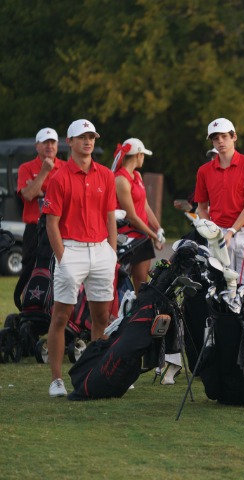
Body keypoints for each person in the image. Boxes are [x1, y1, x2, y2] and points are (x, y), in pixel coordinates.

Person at [42, 119, 118, 397]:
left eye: (91, 137)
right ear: (70, 142)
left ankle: (96, 373)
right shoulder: (59, 178)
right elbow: (52, 223)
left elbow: (110, 216)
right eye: (82, 137)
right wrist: (62, 258)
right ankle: (57, 380)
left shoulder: (106, 176)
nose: (88, 141)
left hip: (101, 251)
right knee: (61, 316)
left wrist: (111, 252)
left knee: (102, 316)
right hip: (71, 250)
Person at [194, 118, 244, 304]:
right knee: (221, 289)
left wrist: (231, 231)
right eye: (216, 138)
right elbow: (201, 207)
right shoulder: (204, 171)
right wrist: (212, 232)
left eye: (224, 136)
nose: (220, 141)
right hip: (218, 235)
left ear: (234, 137)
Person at [14, 128, 65, 305]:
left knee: (60, 271)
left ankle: (55, 312)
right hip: (34, 228)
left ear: (58, 145)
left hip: (59, 228)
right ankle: (27, 312)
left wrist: (40, 189)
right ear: (37, 146)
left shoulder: (66, 167)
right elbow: (28, 195)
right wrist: (44, 172)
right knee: (29, 270)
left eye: (52, 142)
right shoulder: (26, 168)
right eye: (45, 142)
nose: (49, 146)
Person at [112, 138, 164, 293]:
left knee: (142, 284)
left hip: (142, 236)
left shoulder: (137, 175)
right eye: (143, 155)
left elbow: (145, 205)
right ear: (137, 155)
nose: (143, 158)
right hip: (126, 238)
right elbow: (132, 216)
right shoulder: (121, 179)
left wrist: (158, 228)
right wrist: (153, 235)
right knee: (122, 286)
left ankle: (138, 315)